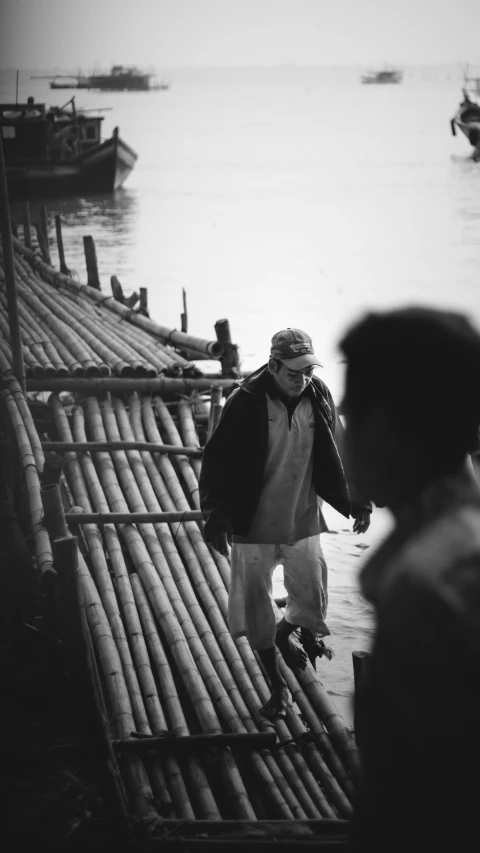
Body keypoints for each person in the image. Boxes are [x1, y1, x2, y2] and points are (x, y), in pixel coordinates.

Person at [338, 306, 480, 852]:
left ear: (386, 430)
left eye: (349, 417)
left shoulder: (424, 587)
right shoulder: (453, 547)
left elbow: (420, 800)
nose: (343, 440)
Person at [199, 328, 372, 718]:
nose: (302, 378)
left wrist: (358, 501)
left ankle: (284, 634)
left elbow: (340, 448)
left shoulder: (317, 394)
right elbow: (216, 464)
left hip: (303, 521)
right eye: (294, 371)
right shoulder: (244, 402)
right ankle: (277, 691)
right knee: (256, 613)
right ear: (273, 366)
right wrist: (216, 519)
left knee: (312, 602)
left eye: (308, 369)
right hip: (252, 526)